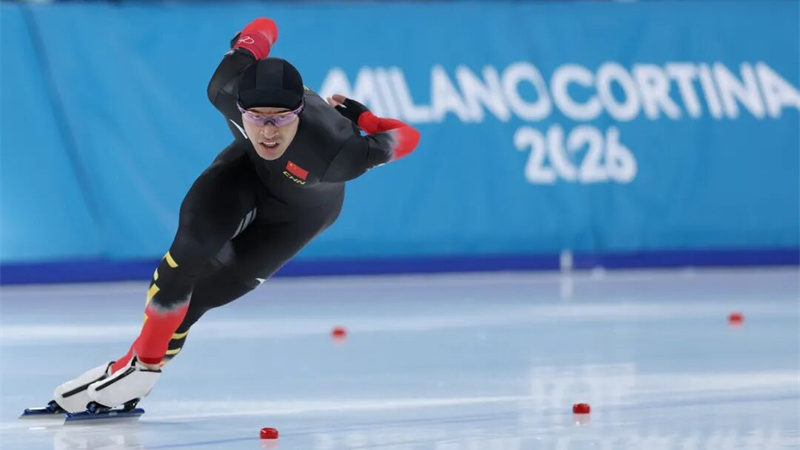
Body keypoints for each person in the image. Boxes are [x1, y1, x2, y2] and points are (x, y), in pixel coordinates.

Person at [49, 17, 420, 413]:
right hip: (246, 173)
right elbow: (264, 25)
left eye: (281, 119)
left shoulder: (339, 153)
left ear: (299, 113)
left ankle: (133, 369)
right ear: (239, 107)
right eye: (256, 118)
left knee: (202, 296)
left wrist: (364, 120)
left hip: (299, 216)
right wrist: (253, 39)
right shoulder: (225, 86)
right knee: (187, 254)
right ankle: (139, 367)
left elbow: (409, 136)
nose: (268, 132)